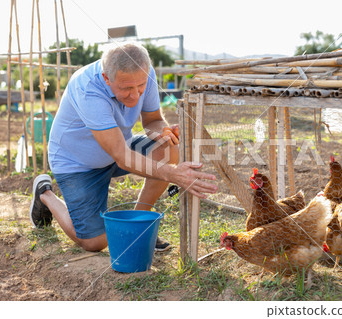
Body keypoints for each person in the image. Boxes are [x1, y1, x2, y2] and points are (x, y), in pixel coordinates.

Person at [29, 42, 217, 252]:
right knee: (94, 242)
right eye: (126, 88)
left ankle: (138, 226)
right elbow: (121, 155)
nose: (135, 95)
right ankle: (45, 195)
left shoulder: (143, 71)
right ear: (106, 78)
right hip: (77, 163)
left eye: (140, 87)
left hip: (118, 149)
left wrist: (162, 131)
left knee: (168, 148)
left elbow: (152, 119)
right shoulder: (87, 88)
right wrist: (174, 174)